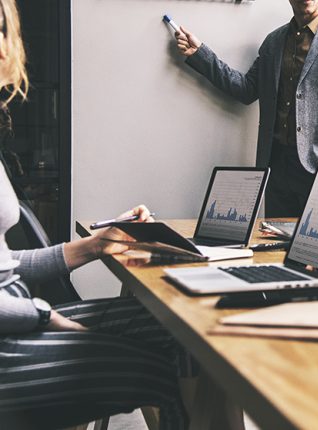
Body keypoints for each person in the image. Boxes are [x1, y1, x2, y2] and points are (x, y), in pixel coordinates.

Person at [0, 1, 189, 428]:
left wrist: (96, 244)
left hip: (19, 318)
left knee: (179, 327)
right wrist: (49, 317)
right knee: (159, 367)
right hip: (9, 340)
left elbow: (5, 268)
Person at [175, 0, 318, 217]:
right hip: (276, 167)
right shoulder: (273, 41)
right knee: (276, 247)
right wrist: (201, 55)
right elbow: (246, 89)